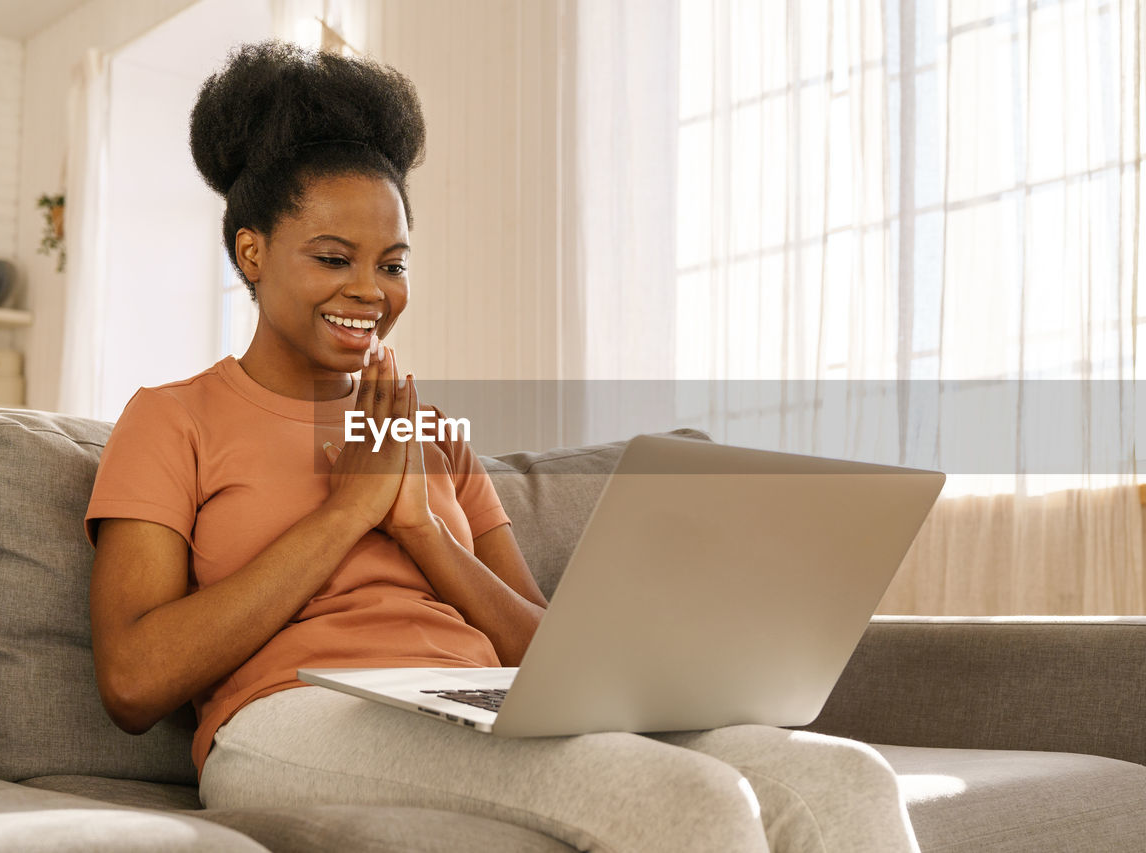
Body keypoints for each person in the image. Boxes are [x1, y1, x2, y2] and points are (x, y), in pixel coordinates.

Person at [84, 40, 919, 853]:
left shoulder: (434, 436)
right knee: (682, 798)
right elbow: (133, 681)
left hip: (485, 696)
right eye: (334, 257)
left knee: (844, 778)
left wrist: (421, 530)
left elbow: (541, 651)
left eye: (394, 263)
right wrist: (348, 511)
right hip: (291, 714)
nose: (370, 291)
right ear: (252, 252)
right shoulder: (173, 419)